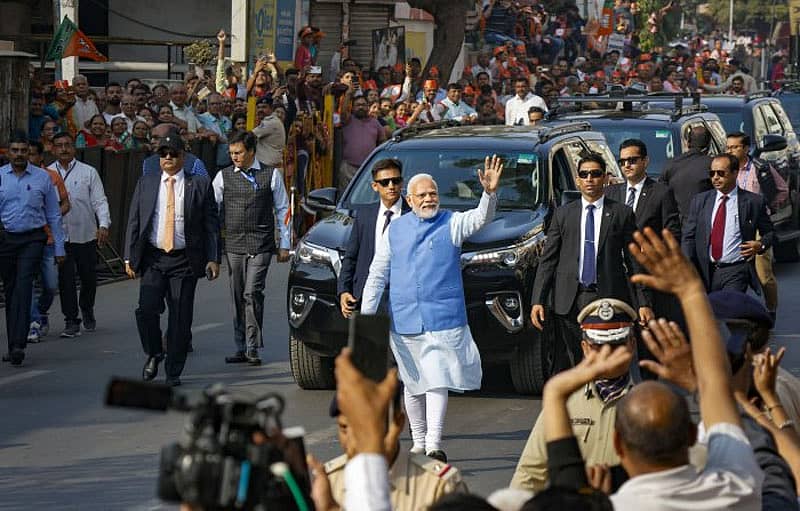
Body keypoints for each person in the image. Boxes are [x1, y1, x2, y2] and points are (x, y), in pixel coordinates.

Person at [360, 155, 504, 462]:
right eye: (422, 195)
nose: (429, 199)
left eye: (433, 193)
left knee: (438, 378)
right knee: (413, 384)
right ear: (409, 199)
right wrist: (366, 319)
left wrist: (489, 194)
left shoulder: (451, 222)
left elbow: (480, 218)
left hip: (443, 319)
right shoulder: (394, 230)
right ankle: (418, 440)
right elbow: (377, 275)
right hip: (404, 319)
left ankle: (434, 444)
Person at [607, 227, 763, 509]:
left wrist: (556, 393)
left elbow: (715, 388)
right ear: (692, 436)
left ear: (618, 445)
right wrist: (691, 292)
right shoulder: (736, 487)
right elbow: (716, 386)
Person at [531, 154, 652, 372]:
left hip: (607, 298)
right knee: (575, 360)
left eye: (595, 174)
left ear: (605, 178)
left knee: (605, 359)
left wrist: (643, 302)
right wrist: (538, 300)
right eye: (584, 174)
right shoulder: (563, 214)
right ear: (577, 180)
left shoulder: (621, 213)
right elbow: (548, 260)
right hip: (569, 299)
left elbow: (634, 260)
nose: (589, 179)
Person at [511, 298, 639, 493]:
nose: (607, 354)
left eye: (616, 345)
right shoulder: (564, 402)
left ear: (632, 345)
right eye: (598, 346)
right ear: (585, 348)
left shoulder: (649, 404)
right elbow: (530, 472)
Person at [124, 134, 220, 387]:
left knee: (180, 317)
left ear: (183, 156)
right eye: (163, 153)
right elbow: (134, 221)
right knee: (146, 309)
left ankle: (173, 370)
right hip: (154, 258)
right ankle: (155, 352)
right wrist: (129, 257)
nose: (168, 157)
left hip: (185, 260)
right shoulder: (147, 182)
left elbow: (211, 223)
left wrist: (213, 258)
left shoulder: (199, 184)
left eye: (173, 153)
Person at [212, 131, 290, 366]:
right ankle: (240, 346)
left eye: (239, 153)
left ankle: (252, 346)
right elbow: (212, 210)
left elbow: (283, 209)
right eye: (231, 153)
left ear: (251, 152)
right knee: (237, 295)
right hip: (234, 244)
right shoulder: (223, 177)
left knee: (252, 293)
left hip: (261, 243)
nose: (234, 157)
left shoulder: (271, 175)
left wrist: (284, 244)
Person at [322, 393, 468, 510]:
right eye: (344, 428)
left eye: (365, 429)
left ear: (398, 423)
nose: (353, 440)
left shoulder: (440, 487)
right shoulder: (328, 483)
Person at [0, 133, 65, 366]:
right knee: (11, 290)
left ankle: (19, 344)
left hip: (34, 239)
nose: (19, 155)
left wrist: (59, 248)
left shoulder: (42, 178)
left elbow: (54, 214)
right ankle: (13, 345)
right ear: (8, 153)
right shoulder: (0, 176)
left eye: (23, 150)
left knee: (24, 285)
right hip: (7, 239)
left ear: (29, 152)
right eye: (15, 150)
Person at [606, 139, 680, 325]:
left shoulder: (661, 192)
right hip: (617, 274)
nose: (627, 165)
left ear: (645, 161)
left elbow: (672, 233)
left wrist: (652, 250)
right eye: (622, 161)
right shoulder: (611, 193)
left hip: (648, 273)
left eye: (632, 160)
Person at [682, 153, 774, 294]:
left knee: (730, 306)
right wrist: (689, 265)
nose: (715, 177)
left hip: (735, 270)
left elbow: (770, 233)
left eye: (721, 173)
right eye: (712, 173)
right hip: (705, 271)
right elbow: (688, 237)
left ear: (735, 173)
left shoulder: (753, 202)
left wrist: (760, 245)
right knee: (710, 308)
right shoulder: (700, 201)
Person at [52, 132, 111, 338]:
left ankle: (86, 307)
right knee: (65, 279)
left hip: (85, 233)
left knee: (88, 278)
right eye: (59, 145)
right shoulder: (47, 173)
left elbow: (100, 201)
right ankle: (71, 319)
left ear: (74, 148)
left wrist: (103, 224)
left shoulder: (88, 172)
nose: (64, 149)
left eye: (67, 144)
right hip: (61, 237)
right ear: (53, 149)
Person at [338, 158, 409, 318]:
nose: (391, 186)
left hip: (404, 298)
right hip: (367, 295)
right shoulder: (365, 215)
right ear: (375, 186)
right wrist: (344, 290)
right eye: (384, 182)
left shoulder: (413, 215)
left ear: (402, 183)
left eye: (395, 181)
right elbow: (351, 257)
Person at [726, 131, 787, 319]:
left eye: (735, 147)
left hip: (758, 227)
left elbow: (782, 190)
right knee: (734, 271)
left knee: (763, 274)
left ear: (746, 148)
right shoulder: (724, 169)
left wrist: (769, 208)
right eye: (728, 147)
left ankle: (771, 309)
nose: (730, 151)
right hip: (733, 225)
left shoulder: (760, 168)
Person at [26, 141, 70, 343]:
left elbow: (66, 203)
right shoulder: (13, 177)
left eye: (32, 154)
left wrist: (52, 216)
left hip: (49, 240)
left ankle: (41, 311)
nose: (28, 158)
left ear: (40, 157)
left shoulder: (51, 177)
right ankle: (34, 321)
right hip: (27, 240)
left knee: (51, 285)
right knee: (27, 282)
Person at [659, 126, 713, 225]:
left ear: (687, 142)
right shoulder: (712, 165)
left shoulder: (670, 165)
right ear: (709, 144)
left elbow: (661, 196)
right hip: (702, 224)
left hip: (675, 225)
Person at [339, 93, 386, 191]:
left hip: (368, 168)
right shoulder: (347, 120)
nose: (361, 107)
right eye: (358, 105)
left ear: (368, 107)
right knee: (347, 194)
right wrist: (349, 93)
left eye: (363, 105)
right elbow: (343, 111)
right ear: (352, 107)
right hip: (349, 168)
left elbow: (382, 141)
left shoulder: (375, 122)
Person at [142, 125, 208, 177]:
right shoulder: (148, 163)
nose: (152, 141)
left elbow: (204, 187)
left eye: (156, 138)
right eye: (151, 138)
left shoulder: (194, 163)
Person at [251, 95, 286, 169]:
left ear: (271, 109)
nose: (260, 110)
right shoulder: (273, 120)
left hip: (268, 168)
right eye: (258, 107)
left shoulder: (270, 122)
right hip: (270, 167)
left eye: (264, 107)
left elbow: (249, 136)